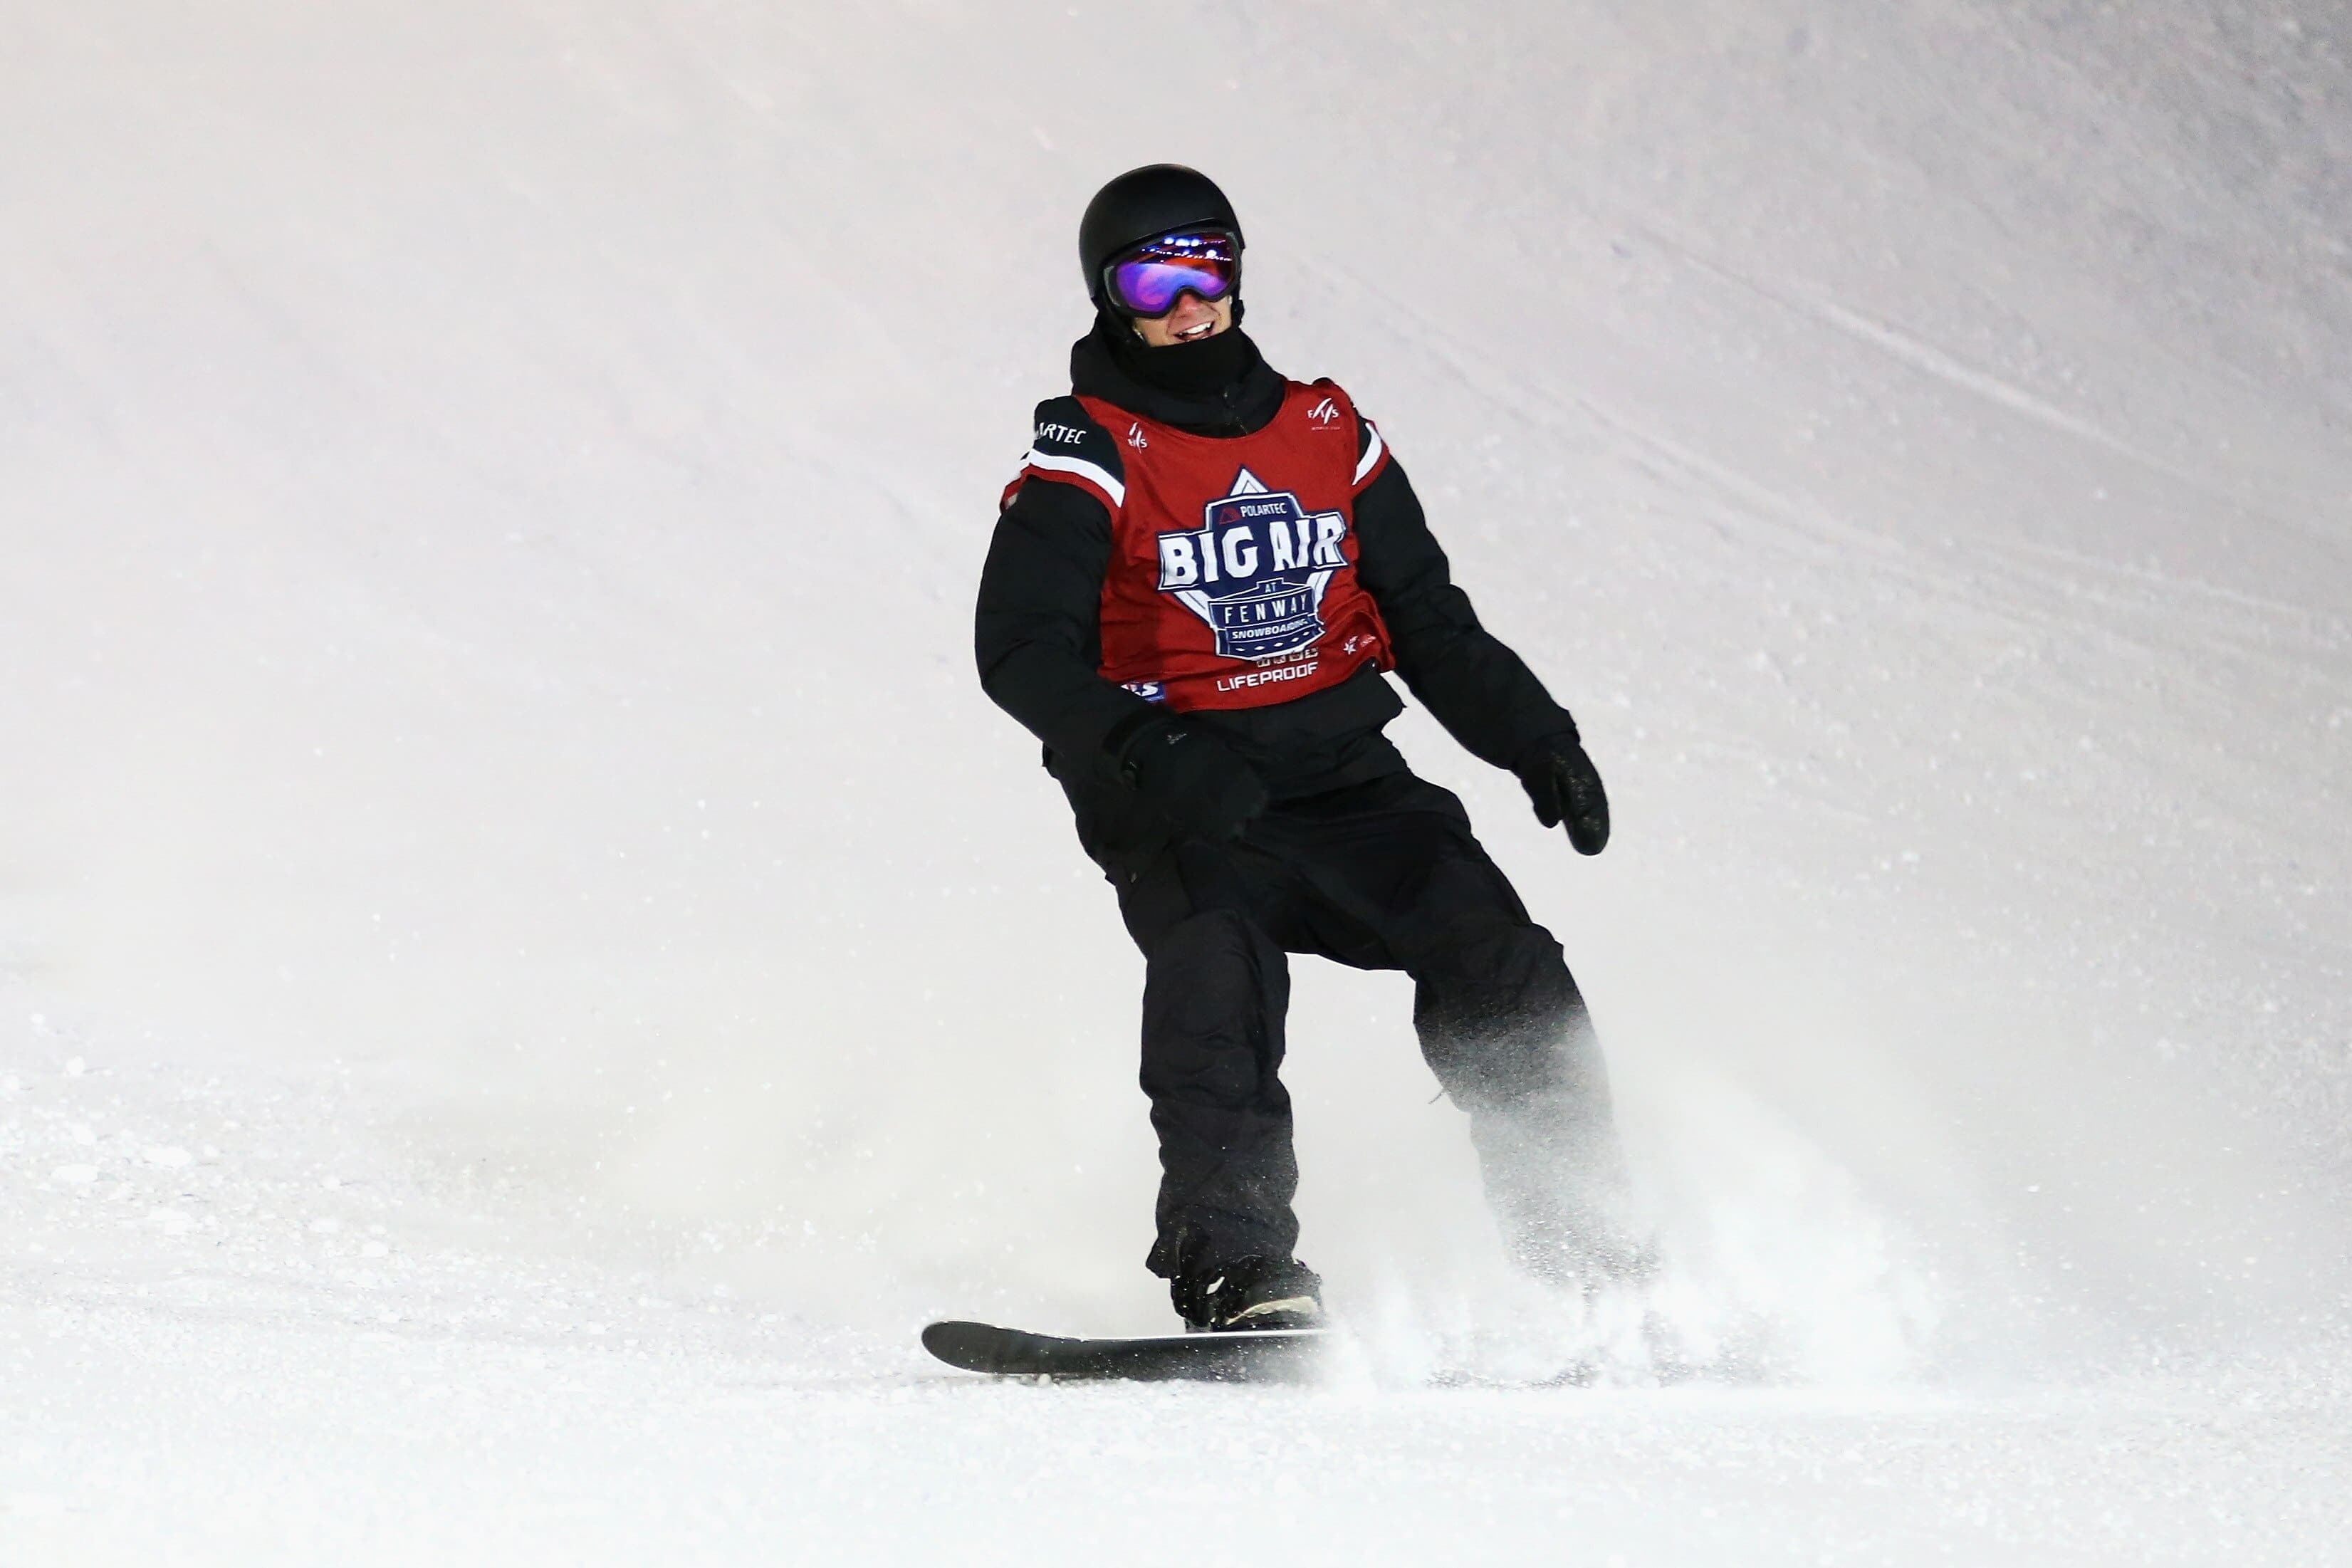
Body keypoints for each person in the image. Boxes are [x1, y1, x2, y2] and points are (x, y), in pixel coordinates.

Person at [976, 164, 1642, 1332]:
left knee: (1499, 956)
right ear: (1111, 299)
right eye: (1153, 283)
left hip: (1342, 779)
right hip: (1186, 793)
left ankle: (1587, 1250)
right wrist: (1151, 749)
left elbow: (1427, 616)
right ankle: (1238, 1270)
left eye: (1208, 270)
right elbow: (1018, 650)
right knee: (1216, 973)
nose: (1190, 305)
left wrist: (1537, 738)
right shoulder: (1088, 454)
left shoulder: (1326, 431)